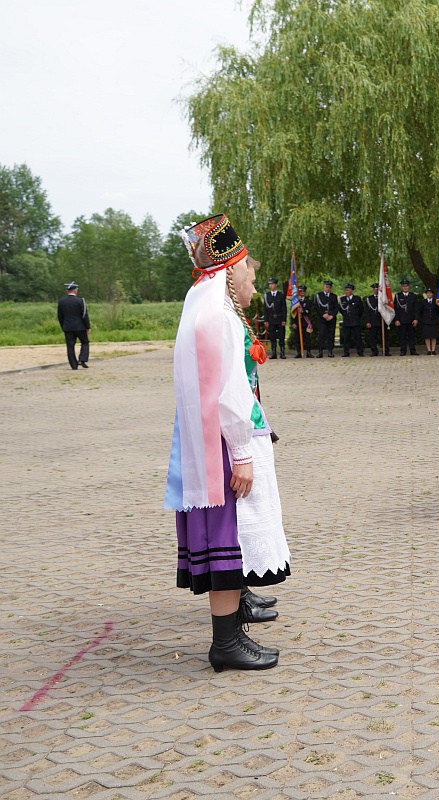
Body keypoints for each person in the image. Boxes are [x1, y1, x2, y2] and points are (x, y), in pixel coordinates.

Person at [167, 214, 290, 672]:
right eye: (248, 269)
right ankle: (226, 643)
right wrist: (242, 453)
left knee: (231, 535)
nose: (252, 276)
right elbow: (231, 390)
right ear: (230, 269)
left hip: (212, 439)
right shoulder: (218, 317)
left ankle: (233, 628)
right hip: (224, 444)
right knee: (229, 537)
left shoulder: (207, 310)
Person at [57, 281, 90, 370]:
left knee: (70, 346)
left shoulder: (62, 301)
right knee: (85, 342)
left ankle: (73, 365)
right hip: (80, 327)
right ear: (75, 290)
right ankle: (82, 359)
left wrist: (63, 326)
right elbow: (84, 315)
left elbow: (60, 316)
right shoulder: (80, 300)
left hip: (67, 327)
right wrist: (87, 326)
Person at [262, 277, 287, 359]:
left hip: (279, 319)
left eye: (272, 284)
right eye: (270, 284)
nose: (271, 286)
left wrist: (284, 319)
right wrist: (266, 320)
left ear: (276, 285)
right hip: (271, 319)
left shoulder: (281, 295)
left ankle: (282, 352)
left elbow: (284, 308)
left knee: (281, 336)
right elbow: (265, 309)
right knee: (272, 337)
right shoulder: (267, 295)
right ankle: (273, 353)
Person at [338, 283, 365, 357]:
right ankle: (346, 352)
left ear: (351, 291)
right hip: (346, 321)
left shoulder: (357, 298)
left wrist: (356, 317)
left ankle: (360, 352)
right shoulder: (342, 299)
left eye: (347, 290)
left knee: (357, 338)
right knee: (346, 338)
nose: (346, 292)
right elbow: (341, 309)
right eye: (345, 290)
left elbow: (361, 310)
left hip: (355, 321)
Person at [393, 279, 419, 355]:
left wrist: (416, 319)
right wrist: (396, 319)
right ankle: (403, 351)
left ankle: (413, 350)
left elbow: (416, 309)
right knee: (402, 337)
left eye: (406, 286)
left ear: (409, 287)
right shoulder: (398, 296)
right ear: (401, 287)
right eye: (403, 286)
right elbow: (396, 309)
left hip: (411, 320)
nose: (405, 287)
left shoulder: (413, 296)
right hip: (401, 320)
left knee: (412, 336)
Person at [364, 282, 390, 356]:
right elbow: (367, 311)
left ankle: (386, 351)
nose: (376, 290)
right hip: (372, 321)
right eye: (374, 289)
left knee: (384, 337)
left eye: (377, 288)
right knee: (373, 338)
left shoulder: (383, 298)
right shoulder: (369, 299)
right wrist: (368, 321)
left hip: (382, 320)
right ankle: (374, 351)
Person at [313, 280, 337, 358]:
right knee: (321, 335)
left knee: (331, 335)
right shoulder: (318, 295)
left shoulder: (334, 296)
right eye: (326, 287)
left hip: (331, 319)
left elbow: (336, 308)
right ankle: (320, 351)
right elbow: (316, 307)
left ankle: (330, 351)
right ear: (324, 287)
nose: (328, 288)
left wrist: (332, 315)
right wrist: (323, 314)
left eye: (329, 287)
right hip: (322, 319)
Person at [289, 284, 314, 357]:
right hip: (297, 322)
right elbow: (292, 313)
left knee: (307, 338)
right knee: (297, 338)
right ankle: (299, 352)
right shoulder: (295, 301)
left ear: (305, 292)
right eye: (300, 291)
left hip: (306, 322)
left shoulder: (308, 301)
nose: (302, 293)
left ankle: (308, 352)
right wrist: (293, 322)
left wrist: (303, 311)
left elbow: (310, 311)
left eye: (303, 291)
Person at [418, 286, 439, 354]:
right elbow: (421, 311)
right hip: (426, 321)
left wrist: (437, 305)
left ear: (432, 294)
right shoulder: (423, 302)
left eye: (430, 293)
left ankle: (433, 350)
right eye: (428, 293)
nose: (429, 294)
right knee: (427, 336)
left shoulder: (435, 302)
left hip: (434, 321)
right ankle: (428, 349)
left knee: (434, 336)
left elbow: (438, 312)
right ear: (426, 294)